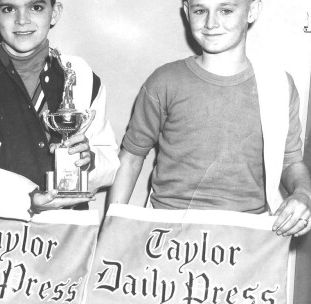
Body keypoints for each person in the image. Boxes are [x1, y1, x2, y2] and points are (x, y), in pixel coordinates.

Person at [108, 0, 311, 238]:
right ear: (186, 11)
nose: (211, 23)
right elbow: (131, 157)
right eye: (200, 10)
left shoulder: (277, 86)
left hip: (245, 237)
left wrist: (304, 194)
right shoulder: (164, 81)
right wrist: (112, 229)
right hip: (167, 234)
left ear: (252, 10)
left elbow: (290, 162)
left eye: (226, 10)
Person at [0, 0, 119, 220]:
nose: (22, 20)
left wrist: (89, 162)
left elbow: (109, 160)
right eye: (9, 9)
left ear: (55, 13)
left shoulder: (80, 75)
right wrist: (27, 199)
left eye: (36, 7)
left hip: (68, 233)